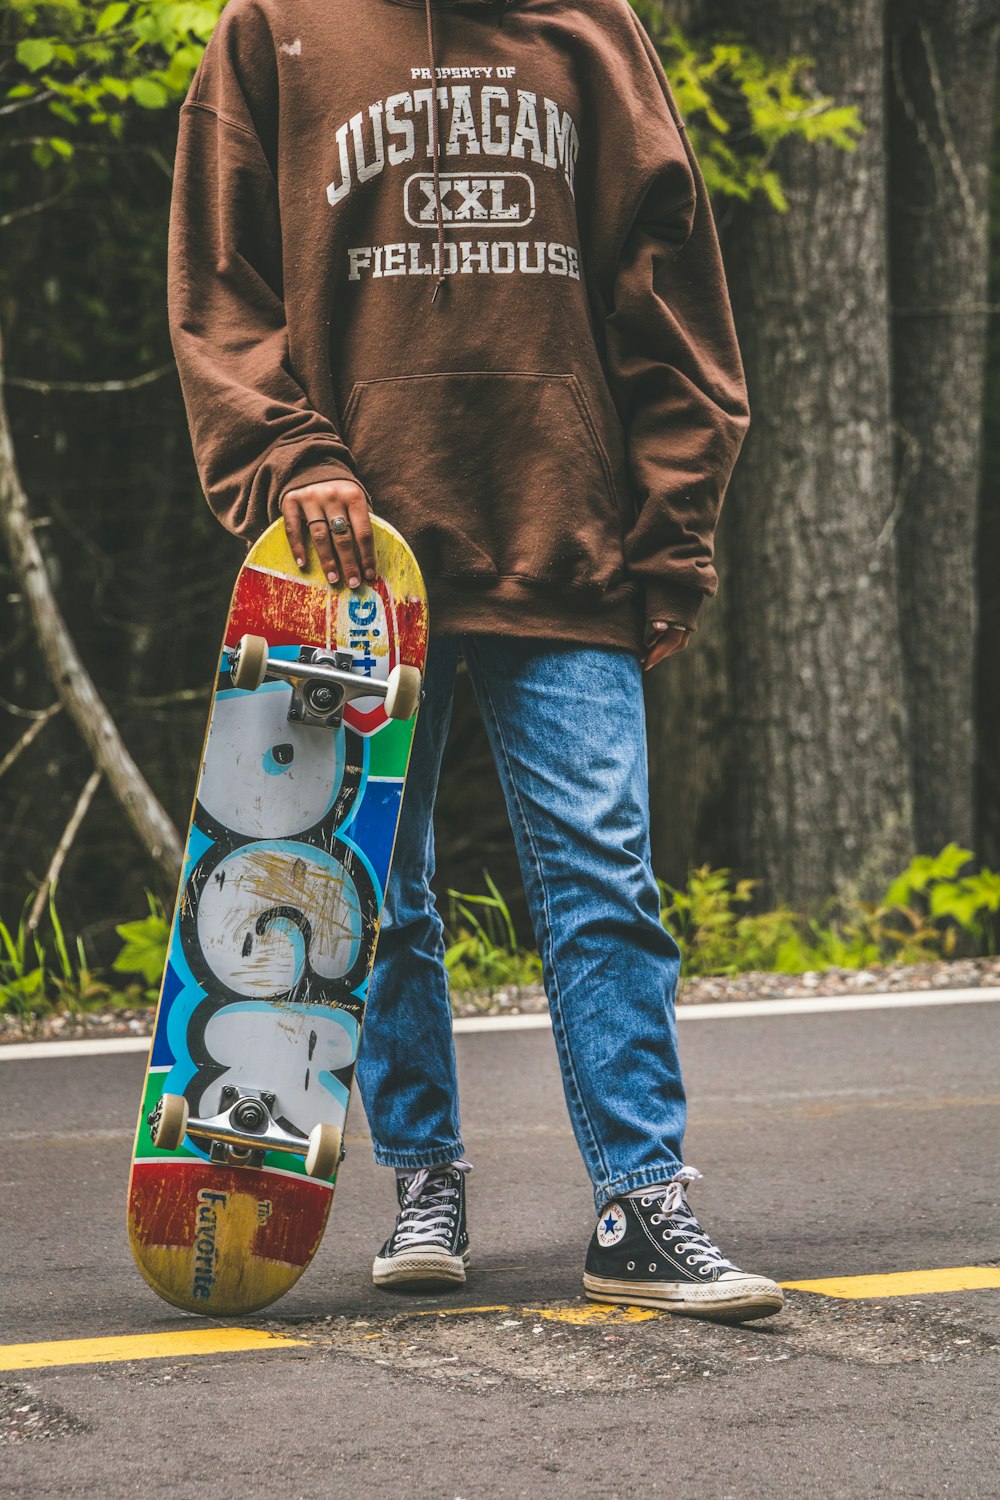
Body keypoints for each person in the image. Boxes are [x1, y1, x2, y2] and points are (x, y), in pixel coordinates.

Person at [168, 0, 783, 1322]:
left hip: (564, 541)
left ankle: (642, 1201)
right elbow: (223, 289)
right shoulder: (274, 29)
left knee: (608, 886)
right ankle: (424, 1181)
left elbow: (673, 303)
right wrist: (295, 458)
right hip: (352, 570)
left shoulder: (591, 32)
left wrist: (671, 541)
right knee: (370, 903)